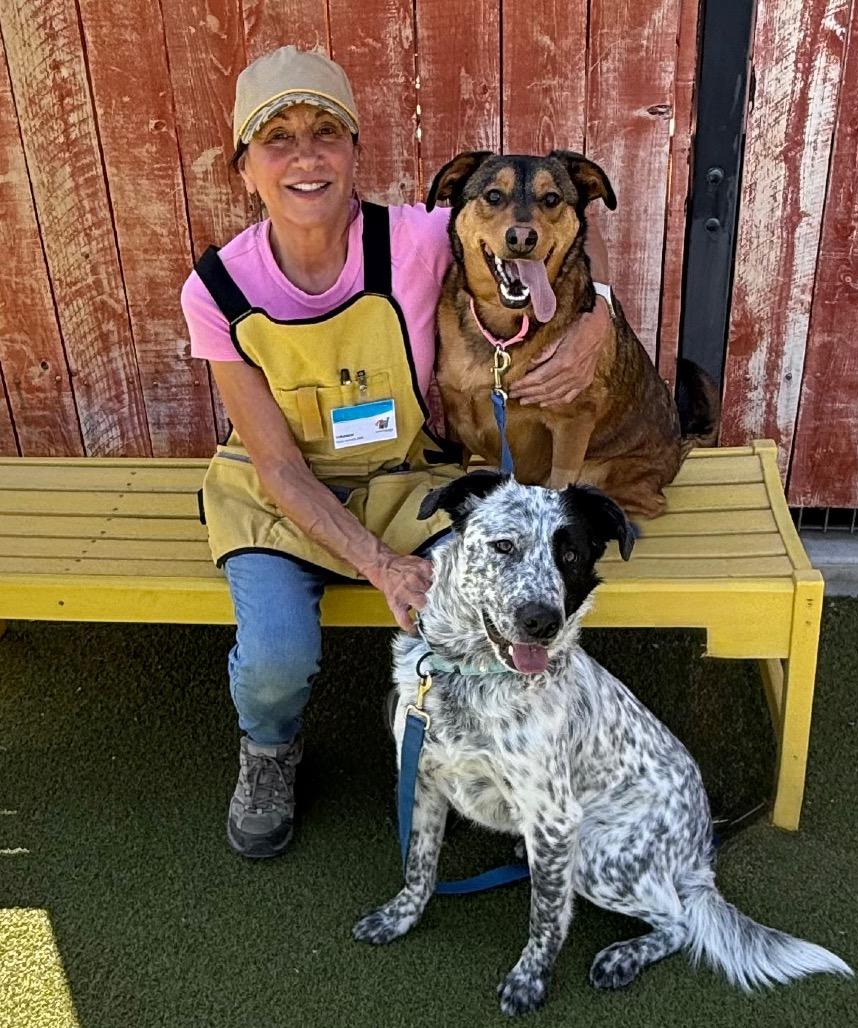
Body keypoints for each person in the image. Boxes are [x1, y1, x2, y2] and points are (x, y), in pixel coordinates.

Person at [181, 45, 614, 859]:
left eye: (326, 133)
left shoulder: (417, 239)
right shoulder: (218, 290)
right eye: (277, 138)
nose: (305, 156)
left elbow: (531, 243)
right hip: (279, 496)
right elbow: (276, 468)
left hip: (403, 481)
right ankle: (269, 751)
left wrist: (598, 323)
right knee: (277, 661)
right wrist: (381, 566)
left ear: (354, 152)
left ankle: (498, 752)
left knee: (500, 598)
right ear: (245, 168)